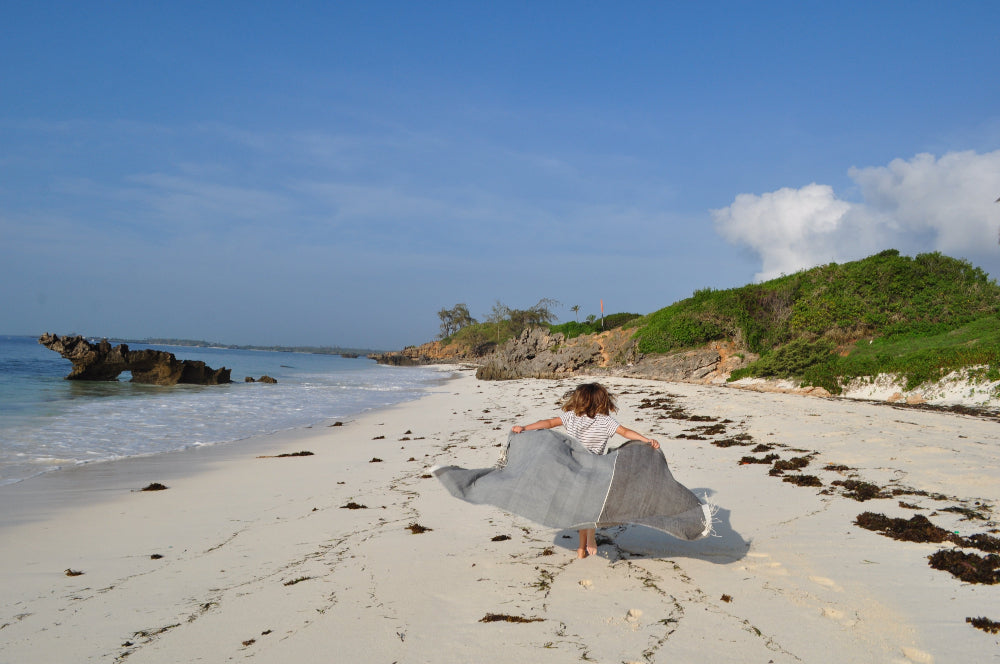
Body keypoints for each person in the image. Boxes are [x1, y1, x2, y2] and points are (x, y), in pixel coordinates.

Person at [511, 382, 660, 559]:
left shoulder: (571, 417)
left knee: (582, 507)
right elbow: (626, 432)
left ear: (579, 400)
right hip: (595, 469)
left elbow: (548, 423)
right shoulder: (605, 421)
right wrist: (646, 440)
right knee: (590, 506)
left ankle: (582, 548)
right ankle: (589, 537)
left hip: (573, 468)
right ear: (602, 401)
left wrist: (525, 428)